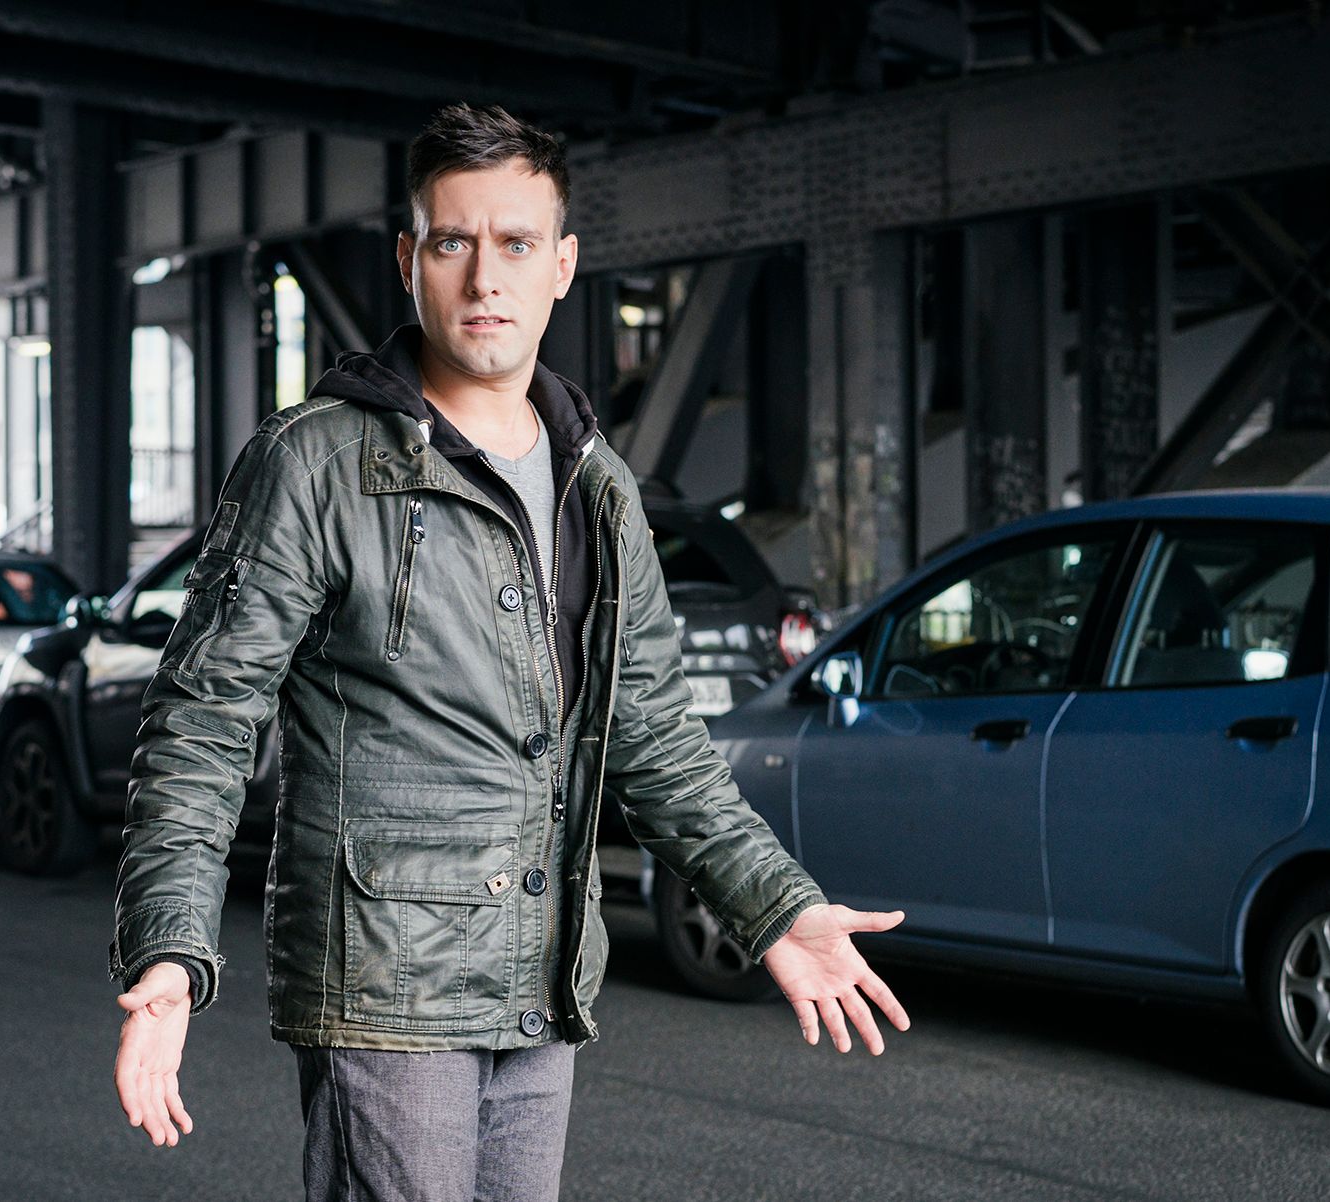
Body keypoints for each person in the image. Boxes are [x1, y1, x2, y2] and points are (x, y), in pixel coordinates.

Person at [110, 102, 910, 1201]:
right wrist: (168, 951)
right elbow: (203, 720)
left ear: (562, 266)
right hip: (385, 985)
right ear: (410, 261)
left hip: (541, 981)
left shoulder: (600, 486)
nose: (485, 277)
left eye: (517, 244)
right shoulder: (316, 464)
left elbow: (656, 739)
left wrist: (772, 904)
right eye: (454, 242)